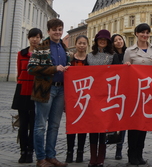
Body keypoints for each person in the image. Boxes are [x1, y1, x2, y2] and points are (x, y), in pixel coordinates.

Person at [28, 18, 70, 167]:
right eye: (55, 30)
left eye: (60, 29)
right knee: (40, 125)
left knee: (54, 125)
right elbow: (31, 68)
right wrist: (54, 69)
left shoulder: (64, 48)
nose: (58, 32)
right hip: (45, 89)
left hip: (60, 90)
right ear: (48, 31)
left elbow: (68, 65)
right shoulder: (41, 47)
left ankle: (51, 156)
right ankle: (40, 158)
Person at [123, 23, 152, 165]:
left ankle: (139, 153)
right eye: (142, 32)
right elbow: (124, 72)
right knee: (134, 123)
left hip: (150, 92)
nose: (145, 35)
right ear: (136, 34)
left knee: (144, 123)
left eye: (147, 32)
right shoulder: (130, 51)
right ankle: (131, 153)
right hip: (135, 91)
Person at [12, 27, 43, 164]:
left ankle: (30, 151)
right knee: (23, 124)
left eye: (37, 37)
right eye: (32, 37)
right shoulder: (21, 53)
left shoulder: (42, 54)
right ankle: (23, 151)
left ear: (40, 39)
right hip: (23, 89)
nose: (35, 39)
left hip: (36, 91)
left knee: (34, 124)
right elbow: (19, 72)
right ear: (28, 38)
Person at [86, 30, 114, 167]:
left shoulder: (112, 56)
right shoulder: (89, 56)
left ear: (108, 41)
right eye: (100, 39)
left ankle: (101, 157)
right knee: (93, 127)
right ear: (96, 40)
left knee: (103, 127)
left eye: (105, 39)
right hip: (92, 95)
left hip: (106, 95)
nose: (102, 41)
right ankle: (93, 157)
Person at [65, 35, 89, 164]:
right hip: (72, 96)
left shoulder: (89, 59)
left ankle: (80, 152)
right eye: (79, 43)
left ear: (87, 45)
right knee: (72, 125)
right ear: (75, 44)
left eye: (84, 43)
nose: (81, 45)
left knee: (83, 126)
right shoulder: (69, 59)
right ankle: (69, 152)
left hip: (86, 96)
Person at [110, 33, 127, 160]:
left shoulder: (129, 53)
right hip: (114, 91)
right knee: (113, 121)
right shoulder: (110, 56)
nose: (118, 42)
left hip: (127, 91)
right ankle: (108, 144)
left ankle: (119, 149)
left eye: (120, 39)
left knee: (123, 122)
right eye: (115, 40)